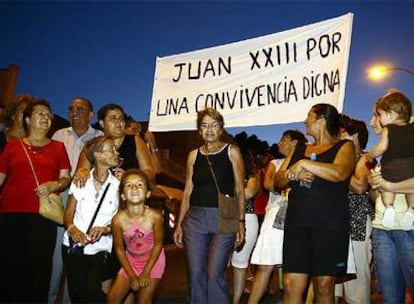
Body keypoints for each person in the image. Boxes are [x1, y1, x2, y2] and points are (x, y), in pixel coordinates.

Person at [274, 103, 355, 303]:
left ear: (321, 120)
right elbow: (277, 181)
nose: (305, 121)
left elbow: (339, 173)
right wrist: (293, 173)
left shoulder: (344, 146)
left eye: (309, 116)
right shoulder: (300, 148)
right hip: (297, 224)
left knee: (324, 286)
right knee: (292, 284)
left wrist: (304, 164)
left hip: (330, 226)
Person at [0, 99, 71, 302]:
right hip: (9, 214)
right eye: (40, 114)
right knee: (10, 266)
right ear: (28, 119)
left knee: (39, 268)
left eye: (49, 115)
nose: (46, 118)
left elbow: (66, 178)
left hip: (43, 215)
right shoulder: (13, 147)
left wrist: (53, 185)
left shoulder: (58, 147)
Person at [173, 108, 246, 303]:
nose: (209, 130)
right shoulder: (193, 156)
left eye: (214, 125)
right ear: (199, 130)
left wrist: (241, 222)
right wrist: (180, 223)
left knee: (214, 273)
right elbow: (187, 190)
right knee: (195, 274)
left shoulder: (232, 152)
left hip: (226, 215)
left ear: (221, 128)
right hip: (195, 218)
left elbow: (240, 189)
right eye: (204, 125)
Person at [49, 97, 103, 303]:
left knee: (79, 256)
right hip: (61, 197)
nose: (74, 113)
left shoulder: (99, 137)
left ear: (91, 115)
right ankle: (50, 296)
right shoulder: (59, 135)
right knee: (55, 257)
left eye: (81, 110)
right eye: (71, 109)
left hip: (86, 200)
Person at [248, 130, 307, 304]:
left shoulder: (306, 162)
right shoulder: (276, 162)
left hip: (299, 216)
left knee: (295, 269)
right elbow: (268, 183)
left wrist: (287, 182)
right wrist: (290, 181)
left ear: (294, 144)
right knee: (265, 264)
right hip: (275, 215)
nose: (279, 143)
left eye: (283, 140)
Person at [368, 90, 414, 304]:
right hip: (382, 228)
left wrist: (388, 184)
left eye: (377, 115)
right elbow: (373, 193)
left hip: (409, 231)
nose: (372, 121)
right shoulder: (389, 153)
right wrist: (375, 183)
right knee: (390, 297)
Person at [62, 136, 120, 302]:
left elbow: (121, 218)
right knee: (77, 294)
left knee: (93, 292)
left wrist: (106, 229)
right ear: (98, 155)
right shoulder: (81, 179)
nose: (116, 152)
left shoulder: (118, 184)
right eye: (111, 149)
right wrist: (72, 229)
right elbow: (68, 214)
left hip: (100, 249)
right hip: (73, 247)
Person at [107, 169, 166, 303]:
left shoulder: (155, 217)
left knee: (144, 300)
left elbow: (158, 245)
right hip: (131, 262)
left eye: (139, 185)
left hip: (153, 261)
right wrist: (132, 275)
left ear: (148, 193)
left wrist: (146, 272)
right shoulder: (118, 220)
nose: (134, 188)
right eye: (128, 185)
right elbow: (120, 250)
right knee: (112, 297)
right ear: (122, 195)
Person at [334, 115, 374, 304]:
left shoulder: (364, 158)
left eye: (343, 133)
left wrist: (339, 170)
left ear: (355, 135)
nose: (339, 136)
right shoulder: (341, 158)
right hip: (337, 225)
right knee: (333, 282)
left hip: (356, 225)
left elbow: (360, 186)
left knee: (356, 284)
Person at [366, 91, 414, 229]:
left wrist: (370, 155)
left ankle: (389, 208)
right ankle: (411, 211)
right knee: (411, 192)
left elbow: (381, 147)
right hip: (411, 167)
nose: (378, 120)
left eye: (379, 115)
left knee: (386, 183)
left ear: (391, 115)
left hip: (393, 165)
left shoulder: (389, 129)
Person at [75, 103, 155, 183]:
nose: (118, 121)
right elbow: (82, 169)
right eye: (112, 118)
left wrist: (129, 178)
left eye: (121, 118)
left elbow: (149, 171)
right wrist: (82, 172)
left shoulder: (135, 140)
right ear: (102, 123)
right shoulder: (94, 143)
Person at [231, 153, 260, 304]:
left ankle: (235, 301)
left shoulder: (252, 179)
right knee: (217, 262)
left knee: (239, 264)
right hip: (222, 219)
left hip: (246, 219)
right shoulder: (223, 175)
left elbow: (248, 193)